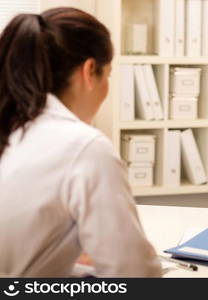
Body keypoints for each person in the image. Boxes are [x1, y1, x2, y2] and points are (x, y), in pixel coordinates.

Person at [0, 8, 161, 277]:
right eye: (107, 74)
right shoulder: (85, 147)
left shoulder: (12, 127)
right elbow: (132, 275)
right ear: (89, 71)